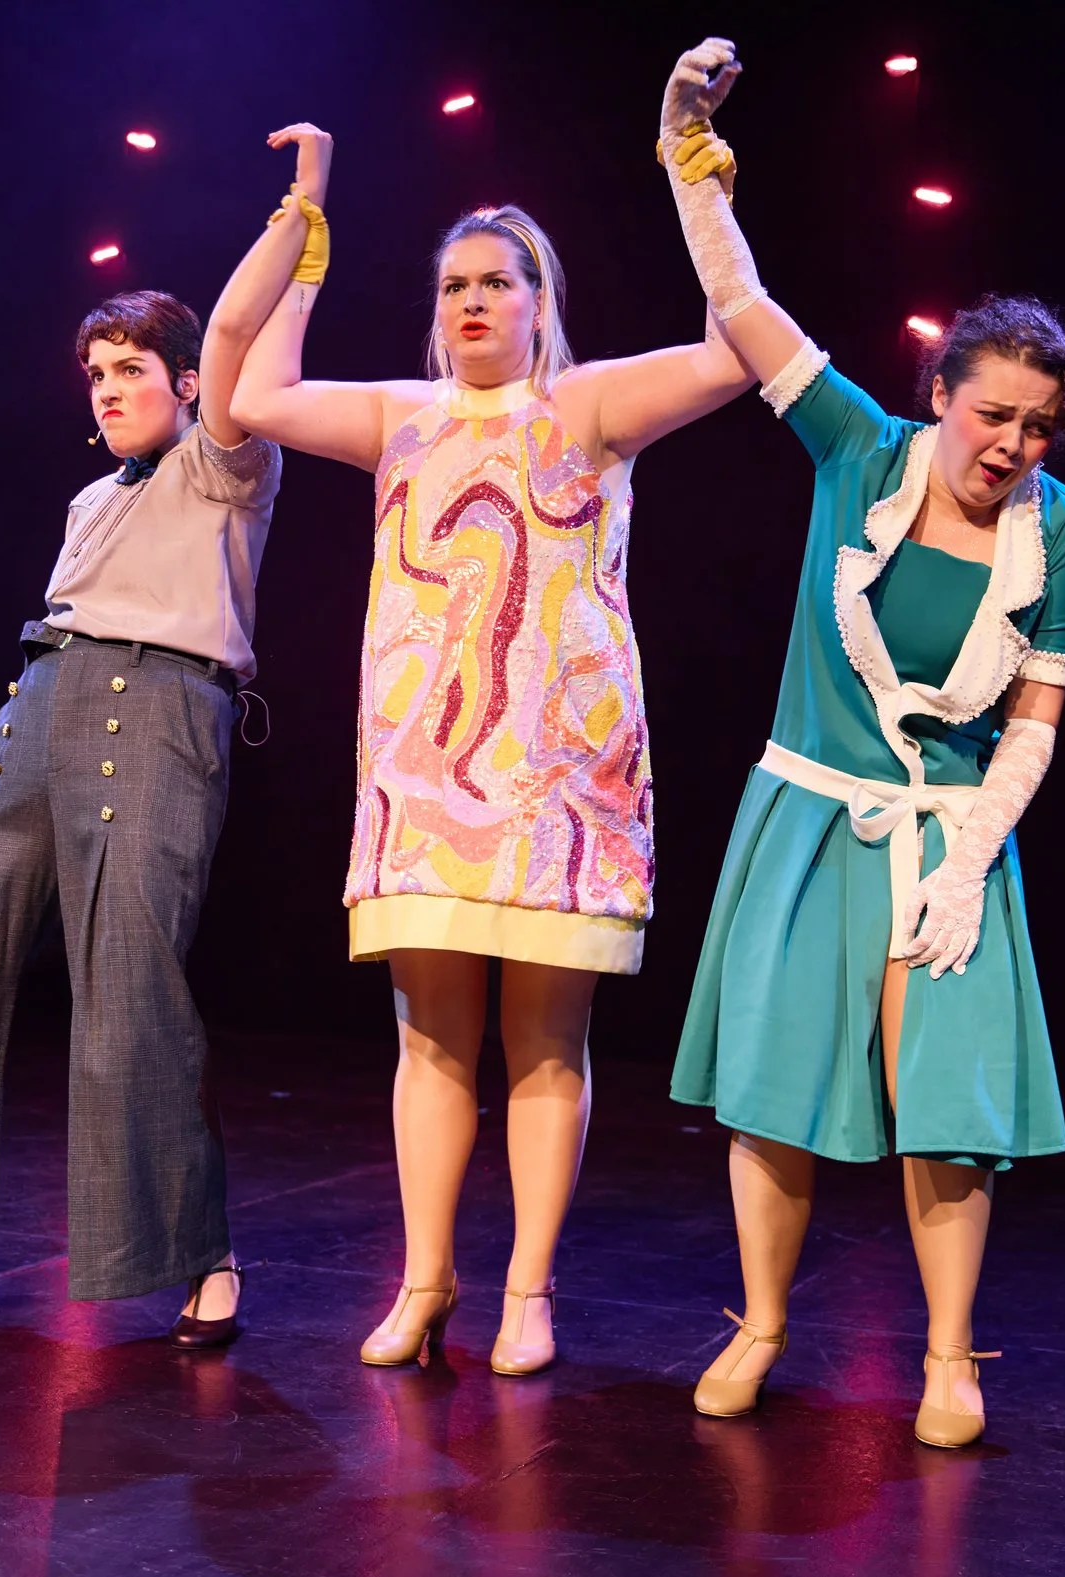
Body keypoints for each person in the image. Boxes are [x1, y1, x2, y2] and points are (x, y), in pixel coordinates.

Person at [227, 125, 753, 1374]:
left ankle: (527, 1289)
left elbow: (742, 350)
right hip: (421, 773)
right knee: (426, 1040)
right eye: (454, 284)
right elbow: (249, 394)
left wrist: (694, 176)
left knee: (546, 1041)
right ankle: (423, 1282)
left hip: (560, 785)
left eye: (497, 282)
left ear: (538, 303)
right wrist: (306, 220)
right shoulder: (405, 416)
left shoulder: (585, 403)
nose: (471, 301)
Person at [652, 40, 1065, 1443]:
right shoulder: (858, 450)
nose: (1014, 444)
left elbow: (1035, 716)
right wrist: (686, 148)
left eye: (1039, 425)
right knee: (776, 1093)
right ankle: (764, 1322)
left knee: (946, 1106)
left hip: (949, 832)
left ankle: (951, 1356)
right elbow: (741, 301)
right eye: (993, 414)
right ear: (943, 392)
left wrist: (973, 851)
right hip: (809, 815)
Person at [0, 130, 338, 1345]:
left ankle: (202, 1255)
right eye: (95, 372)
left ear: (183, 384)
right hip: (49, 708)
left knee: (128, 991)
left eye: (131, 368)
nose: (109, 387)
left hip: (158, 714)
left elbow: (232, 338)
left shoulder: (226, 464)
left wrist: (303, 212)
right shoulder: (85, 500)